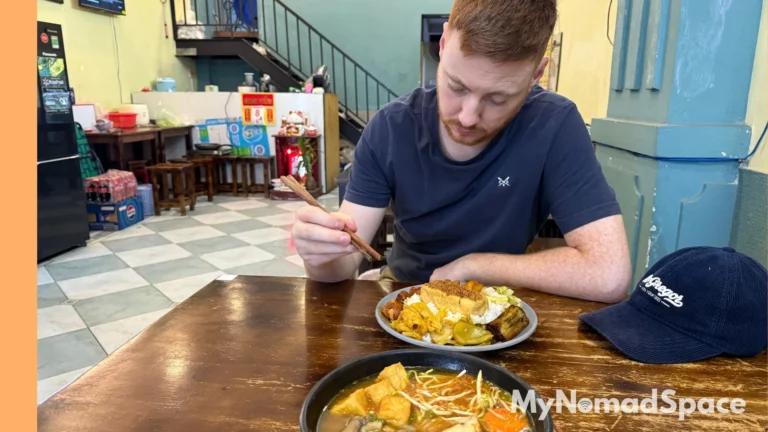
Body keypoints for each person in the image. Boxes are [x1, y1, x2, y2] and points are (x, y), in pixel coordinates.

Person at [292, 0, 632, 303]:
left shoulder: (554, 125)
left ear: (536, 75)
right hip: (405, 293)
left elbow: (609, 274)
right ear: (443, 44)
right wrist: (320, 257)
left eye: (498, 99)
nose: (468, 117)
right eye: (456, 86)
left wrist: (474, 267)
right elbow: (343, 264)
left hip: (498, 301)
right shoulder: (392, 128)